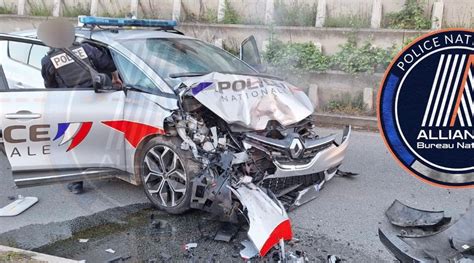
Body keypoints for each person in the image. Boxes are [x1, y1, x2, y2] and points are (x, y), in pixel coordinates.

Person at [41, 42, 122, 194]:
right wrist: (113, 77)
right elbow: (110, 64)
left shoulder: (48, 61)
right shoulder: (87, 48)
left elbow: (50, 87)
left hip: (71, 105)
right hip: (97, 99)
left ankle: (76, 183)